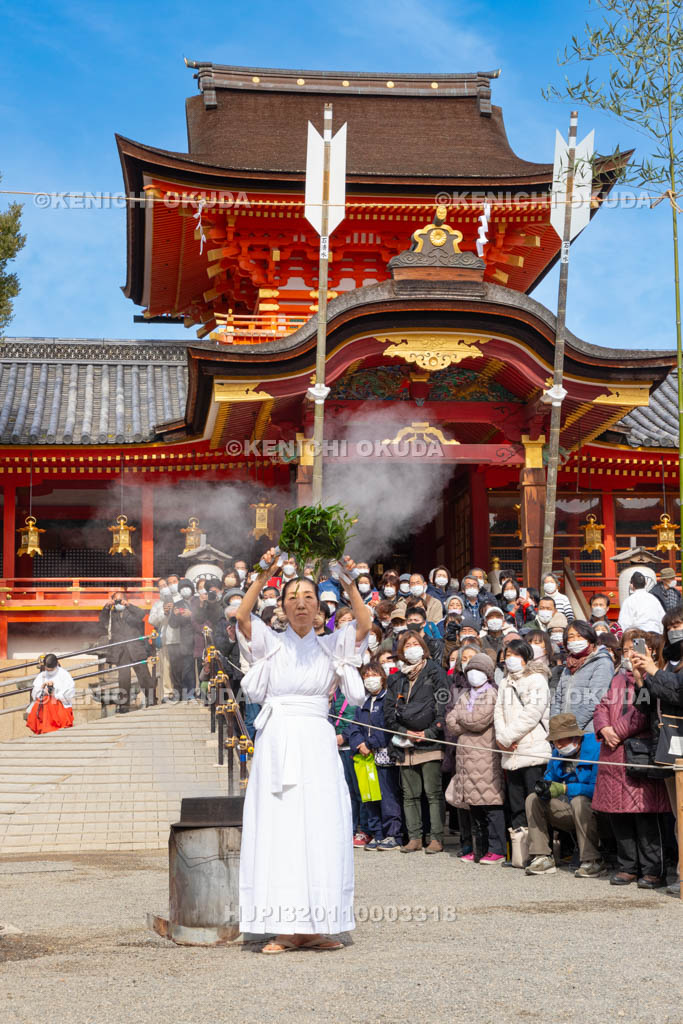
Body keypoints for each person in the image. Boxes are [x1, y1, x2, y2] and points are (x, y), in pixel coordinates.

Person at [235, 549, 371, 953]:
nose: (300, 603)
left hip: (316, 741)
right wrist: (264, 572)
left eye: (308, 597)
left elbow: (364, 623)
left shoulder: (332, 646)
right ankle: (282, 927)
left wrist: (348, 581)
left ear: (319, 609)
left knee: (321, 827)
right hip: (278, 740)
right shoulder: (270, 643)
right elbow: (242, 616)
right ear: (282, 605)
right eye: (292, 597)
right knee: (280, 828)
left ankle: (317, 925)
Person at [592, 629, 670, 889]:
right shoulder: (616, 678)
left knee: (645, 815)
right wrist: (603, 728)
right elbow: (602, 705)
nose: (628, 654)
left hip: (638, 752)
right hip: (613, 753)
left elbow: (644, 712)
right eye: (624, 650)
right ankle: (627, 866)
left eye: (633, 649)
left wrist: (617, 731)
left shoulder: (651, 677)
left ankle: (653, 869)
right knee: (619, 815)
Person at [631, 608, 683, 897]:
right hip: (668, 744)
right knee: (679, 815)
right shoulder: (665, 662)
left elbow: (678, 693)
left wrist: (652, 671)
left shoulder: (661, 668)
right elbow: (645, 705)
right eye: (670, 626)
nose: (675, 630)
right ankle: (681, 872)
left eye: (679, 624)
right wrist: (641, 678)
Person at [384, 631, 447, 854]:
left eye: (415, 643)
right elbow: (388, 712)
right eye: (407, 645)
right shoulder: (396, 679)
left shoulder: (436, 672)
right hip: (404, 744)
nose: (412, 648)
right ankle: (414, 837)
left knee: (433, 793)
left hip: (429, 742)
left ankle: (436, 837)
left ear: (423, 647)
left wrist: (429, 731)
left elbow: (443, 704)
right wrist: (404, 732)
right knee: (409, 794)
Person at [525, 713, 605, 877]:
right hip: (570, 810)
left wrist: (566, 789)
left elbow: (598, 790)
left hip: (598, 812)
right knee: (533, 799)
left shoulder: (597, 749)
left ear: (576, 737)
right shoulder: (557, 753)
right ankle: (542, 857)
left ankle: (592, 861)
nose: (558, 745)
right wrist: (546, 788)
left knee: (579, 801)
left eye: (561, 740)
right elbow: (550, 778)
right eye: (555, 741)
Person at [446, 651, 506, 863]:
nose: (473, 673)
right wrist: (462, 722)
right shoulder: (464, 695)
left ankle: (497, 848)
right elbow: (450, 721)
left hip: (485, 758)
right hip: (466, 760)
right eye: (470, 669)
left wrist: (461, 721)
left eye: (478, 670)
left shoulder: (492, 694)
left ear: (488, 673)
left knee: (491, 804)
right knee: (474, 807)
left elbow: (478, 721)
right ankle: (479, 849)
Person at [494, 639, 551, 834]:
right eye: (508, 655)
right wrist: (501, 739)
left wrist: (507, 738)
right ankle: (521, 846)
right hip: (511, 753)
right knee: (517, 805)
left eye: (516, 654)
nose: (511, 659)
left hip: (533, 750)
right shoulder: (504, 682)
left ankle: (541, 845)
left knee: (535, 802)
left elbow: (532, 713)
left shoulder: (537, 680)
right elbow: (498, 712)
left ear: (526, 657)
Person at [347, 662, 402, 850]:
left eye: (374, 674)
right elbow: (354, 726)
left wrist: (370, 744)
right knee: (370, 796)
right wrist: (359, 743)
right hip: (365, 756)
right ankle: (377, 833)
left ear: (382, 677)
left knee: (388, 796)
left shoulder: (388, 699)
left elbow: (387, 727)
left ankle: (393, 834)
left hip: (385, 754)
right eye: (366, 675)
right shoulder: (362, 701)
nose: (370, 679)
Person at [551, 620, 614, 731]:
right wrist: (555, 727)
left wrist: (572, 729)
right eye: (571, 637)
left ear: (589, 638)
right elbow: (558, 698)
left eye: (580, 636)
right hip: (563, 731)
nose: (575, 640)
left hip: (587, 730)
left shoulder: (601, 662)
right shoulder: (569, 665)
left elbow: (594, 700)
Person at [98, 590, 154, 711]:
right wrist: (106, 607)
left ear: (125, 600)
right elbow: (102, 621)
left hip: (135, 648)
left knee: (144, 675)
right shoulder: (112, 613)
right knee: (123, 678)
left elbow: (141, 614)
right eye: (116, 600)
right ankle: (124, 704)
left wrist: (128, 605)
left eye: (120, 600)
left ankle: (151, 700)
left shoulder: (131, 611)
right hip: (121, 650)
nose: (118, 603)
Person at [26, 654, 76, 734]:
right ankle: (44, 727)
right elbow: (35, 692)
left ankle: (49, 727)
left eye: (51, 669)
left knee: (49, 701)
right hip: (43, 704)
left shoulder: (64, 674)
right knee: (45, 700)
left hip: (60, 705)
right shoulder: (42, 675)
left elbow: (69, 693)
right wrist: (43, 691)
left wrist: (54, 694)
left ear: (56, 665)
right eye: (47, 669)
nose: (49, 672)